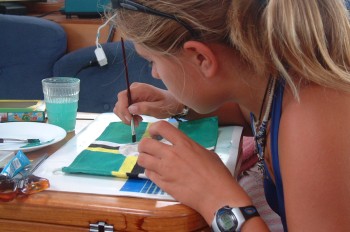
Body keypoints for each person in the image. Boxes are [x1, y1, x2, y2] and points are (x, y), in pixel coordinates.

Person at [112, 0, 350, 231]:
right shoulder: (272, 81)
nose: (154, 73)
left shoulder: (311, 124)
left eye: (153, 61)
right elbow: (244, 113)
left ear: (201, 58)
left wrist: (216, 199)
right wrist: (178, 104)